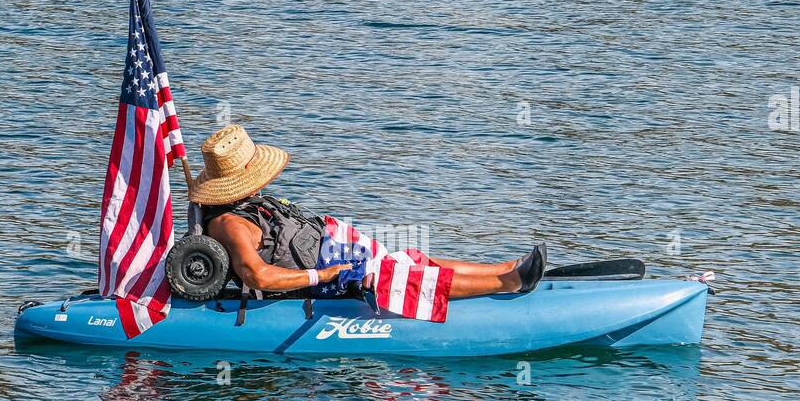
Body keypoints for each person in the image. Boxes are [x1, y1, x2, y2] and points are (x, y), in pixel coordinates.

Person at [186, 124, 546, 302]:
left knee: (411, 256)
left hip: (338, 250)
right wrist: (323, 275)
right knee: (399, 275)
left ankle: (502, 269)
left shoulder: (246, 208)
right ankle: (511, 283)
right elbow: (259, 275)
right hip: (333, 271)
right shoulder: (232, 224)